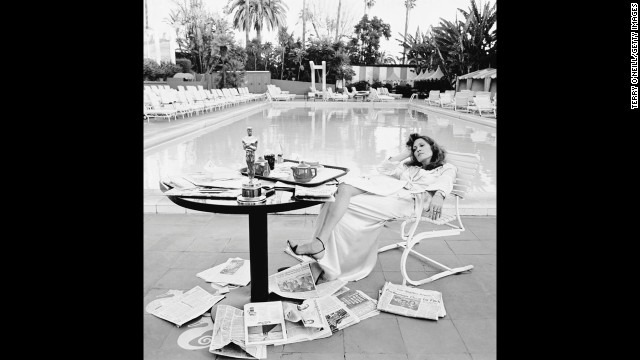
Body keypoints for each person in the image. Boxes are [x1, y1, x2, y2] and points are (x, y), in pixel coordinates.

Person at [287, 133, 457, 282]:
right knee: (340, 193)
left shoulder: (445, 168)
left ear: (433, 147)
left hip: (409, 203)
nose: (417, 149)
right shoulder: (410, 167)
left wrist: (439, 195)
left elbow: (447, 180)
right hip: (391, 196)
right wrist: (404, 154)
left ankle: (324, 251)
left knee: (341, 202)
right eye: (414, 148)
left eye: (422, 145)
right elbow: (383, 168)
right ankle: (320, 247)